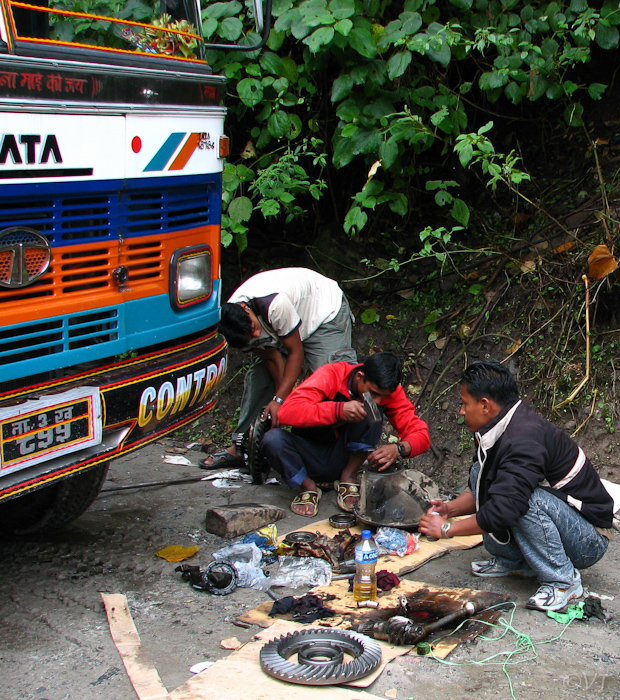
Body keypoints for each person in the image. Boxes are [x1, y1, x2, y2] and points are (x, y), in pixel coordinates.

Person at [418, 360, 614, 613]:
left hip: (589, 539)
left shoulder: (523, 439)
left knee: (522, 499)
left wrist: (446, 529)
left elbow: (506, 507)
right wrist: (449, 509)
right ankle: (516, 561)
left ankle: (563, 581)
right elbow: (483, 485)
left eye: (465, 403)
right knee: (485, 471)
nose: (461, 411)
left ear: (485, 405)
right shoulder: (499, 427)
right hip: (562, 520)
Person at [200, 267, 358, 468]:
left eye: (254, 329)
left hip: (322, 312)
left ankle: (338, 455)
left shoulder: (274, 304)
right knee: (259, 377)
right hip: (283, 327)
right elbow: (271, 358)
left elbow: (295, 352)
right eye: (251, 338)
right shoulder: (233, 326)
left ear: (245, 308)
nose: (257, 335)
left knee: (334, 379)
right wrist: (281, 401)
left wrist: (281, 399)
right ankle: (243, 446)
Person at [259, 352, 430, 517]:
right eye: (374, 392)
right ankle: (308, 487)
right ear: (360, 376)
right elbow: (286, 412)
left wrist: (399, 448)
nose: (378, 400)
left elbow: (421, 434)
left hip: (341, 458)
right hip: (307, 456)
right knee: (272, 439)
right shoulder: (331, 374)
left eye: (382, 396)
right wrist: (338, 410)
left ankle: (348, 478)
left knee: (370, 408)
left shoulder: (389, 393)